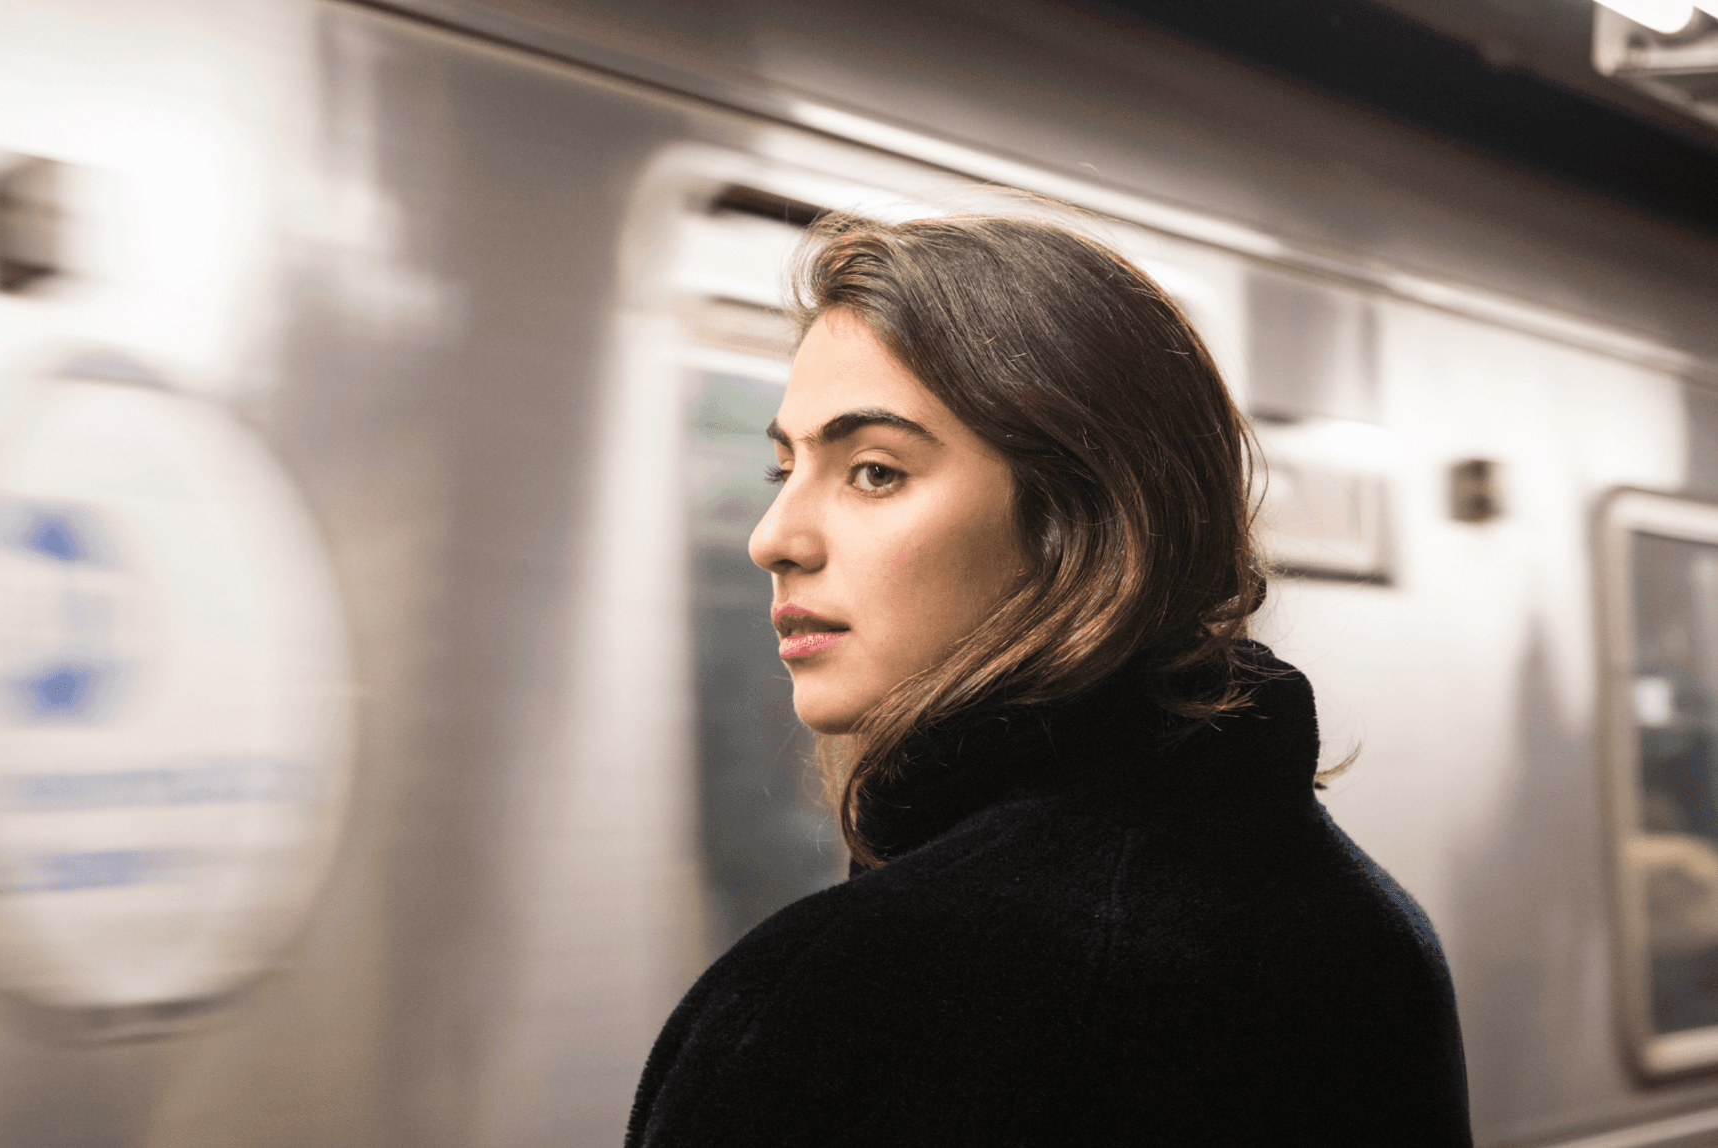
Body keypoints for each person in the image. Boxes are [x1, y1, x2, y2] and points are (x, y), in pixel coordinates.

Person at [626, 214, 1472, 1146]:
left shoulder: (854, 996)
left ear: (1080, 529)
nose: (771, 539)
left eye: (872, 471)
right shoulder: (1366, 932)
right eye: (782, 468)